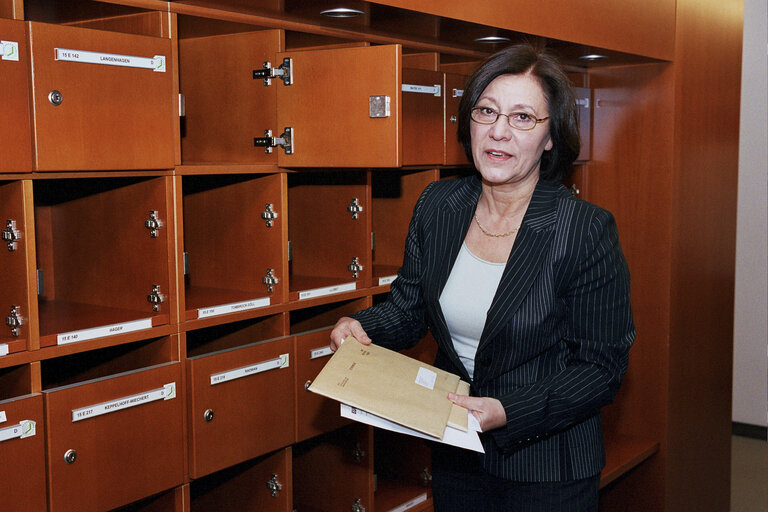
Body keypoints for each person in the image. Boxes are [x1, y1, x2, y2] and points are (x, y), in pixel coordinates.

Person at [330, 43, 635, 512]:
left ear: (551, 137)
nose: (498, 132)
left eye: (522, 118)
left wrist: (510, 411)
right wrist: (364, 327)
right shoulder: (438, 205)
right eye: (486, 111)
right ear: (468, 121)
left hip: (547, 464)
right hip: (458, 452)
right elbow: (410, 308)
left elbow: (600, 369)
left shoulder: (585, 229)